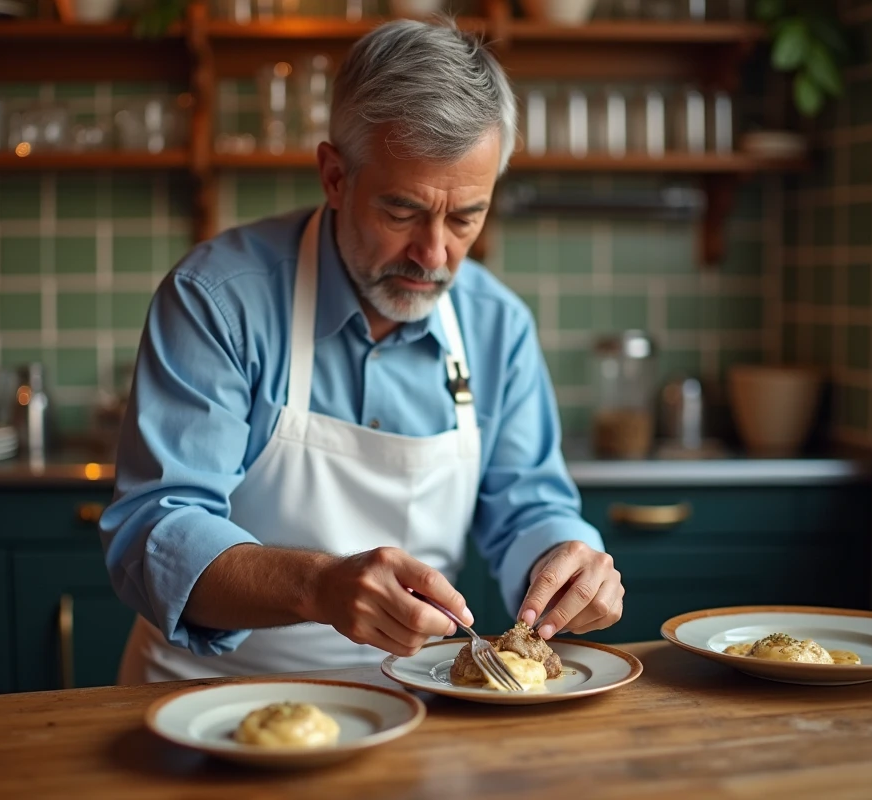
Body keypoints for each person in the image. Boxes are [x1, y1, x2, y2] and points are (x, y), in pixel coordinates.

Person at [100, 17, 624, 684]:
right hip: (206, 705)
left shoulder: (498, 327)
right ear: (335, 177)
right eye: (402, 212)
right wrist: (318, 586)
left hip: (412, 709)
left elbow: (527, 506)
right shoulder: (218, 300)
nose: (434, 255)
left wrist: (568, 561)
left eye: (466, 217)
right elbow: (153, 535)